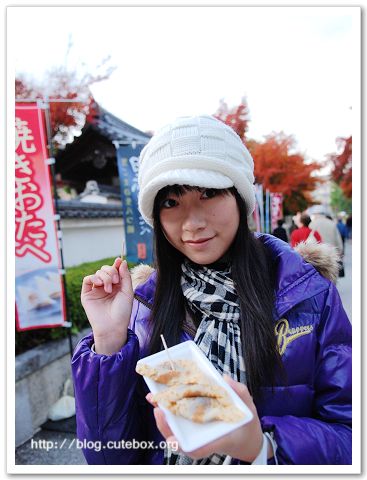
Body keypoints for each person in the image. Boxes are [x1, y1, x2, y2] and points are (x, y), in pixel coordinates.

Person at [72, 115, 351, 465]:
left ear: (239, 198)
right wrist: (109, 341)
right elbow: (108, 459)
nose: (192, 222)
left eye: (209, 193)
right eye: (171, 202)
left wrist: (263, 448)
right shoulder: (142, 306)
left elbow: (351, 434)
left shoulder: (308, 295)